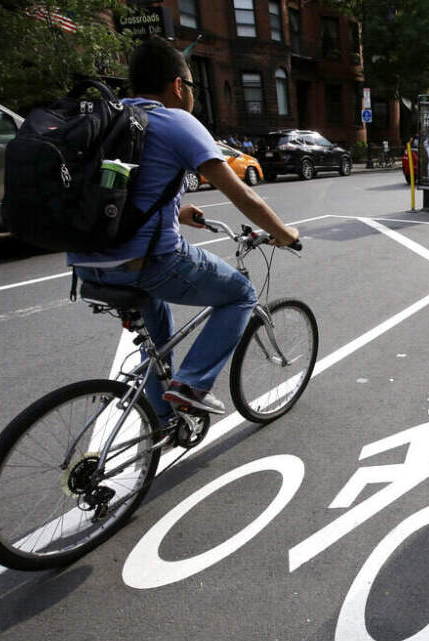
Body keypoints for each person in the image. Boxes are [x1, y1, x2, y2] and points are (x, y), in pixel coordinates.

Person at [68, 36, 298, 423]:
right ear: (178, 86)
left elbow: (117, 194)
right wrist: (285, 232)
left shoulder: (109, 118)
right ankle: (190, 386)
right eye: (190, 85)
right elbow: (244, 196)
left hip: (85, 264)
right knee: (240, 294)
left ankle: (161, 421)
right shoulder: (175, 121)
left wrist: (174, 213)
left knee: (157, 327)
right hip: (148, 263)